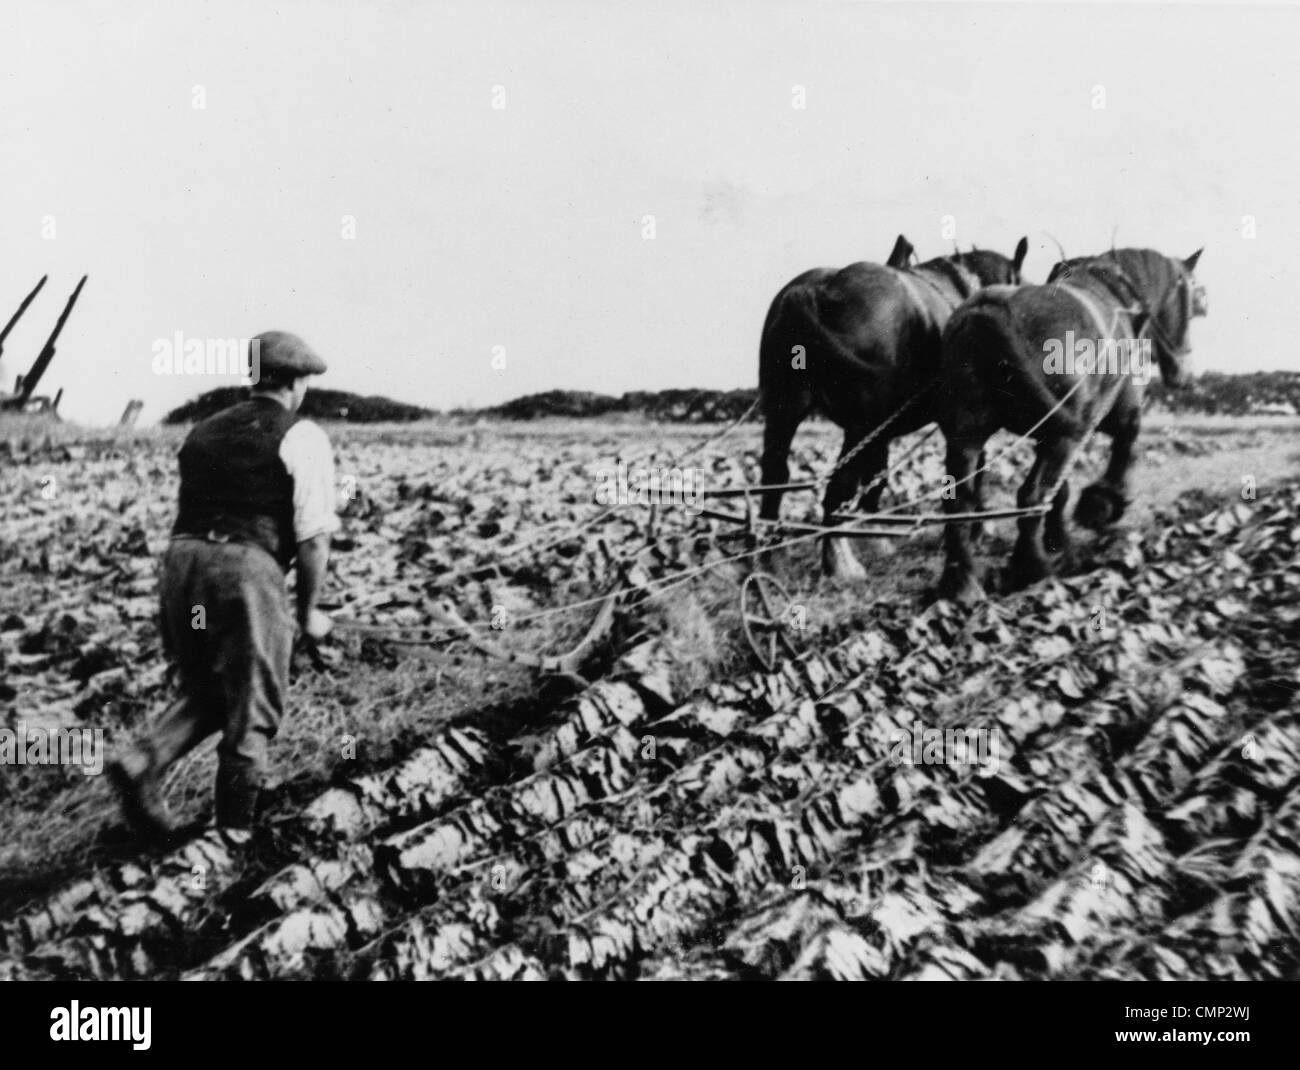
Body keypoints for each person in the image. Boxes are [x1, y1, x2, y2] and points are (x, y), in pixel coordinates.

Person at [109, 331, 338, 837]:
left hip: (183, 569)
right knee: (253, 707)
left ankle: (143, 760)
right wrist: (308, 614)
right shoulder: (302, 436)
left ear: (254, 379)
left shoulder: (203, 432)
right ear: (295, 383)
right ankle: (232, 838)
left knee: (212, 688)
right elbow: (314, 539)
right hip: (243, 572)